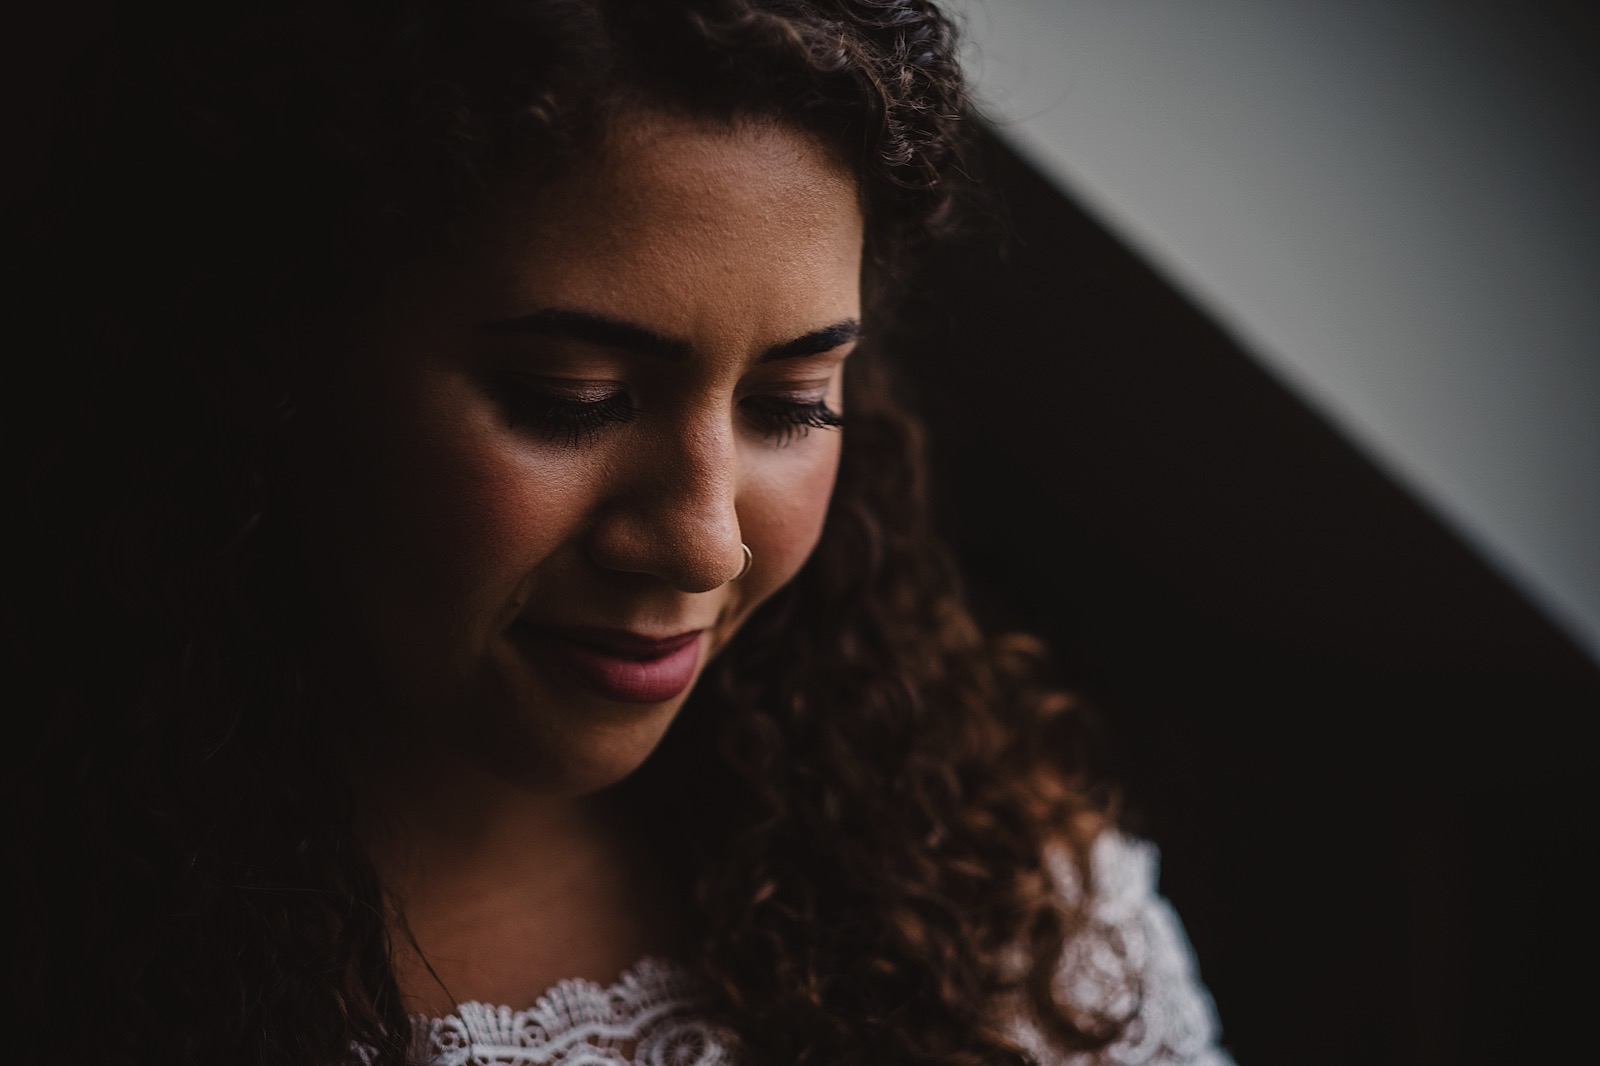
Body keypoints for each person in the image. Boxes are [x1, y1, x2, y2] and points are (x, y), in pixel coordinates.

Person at [3, 1, 1233, 1063]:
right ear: (268, 356)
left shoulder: (999, 905)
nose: (703, 545)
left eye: (791, 405)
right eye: (570, 401)